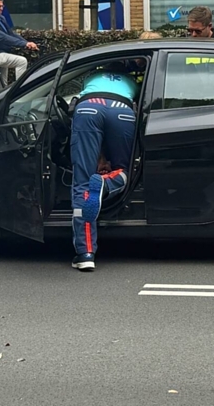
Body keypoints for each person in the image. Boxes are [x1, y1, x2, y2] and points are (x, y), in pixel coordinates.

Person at [70, 61, 139, 271]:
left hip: (88, 107)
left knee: (82, 182)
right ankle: (106, 184)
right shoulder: (131, 82)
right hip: (122, 110)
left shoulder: (91, 78)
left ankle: (85, 253)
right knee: (128, 170)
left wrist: (98, 157)